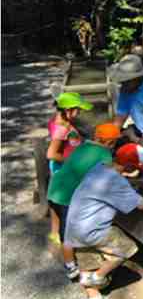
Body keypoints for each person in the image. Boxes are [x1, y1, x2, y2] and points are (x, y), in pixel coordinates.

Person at [65, 143, 143, 299]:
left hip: (74, 225)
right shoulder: (115, 181)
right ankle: (98, 277)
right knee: (127, 249)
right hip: (93, 229)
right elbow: (140, 205)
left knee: (88, 260)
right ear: (129, 167)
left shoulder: (100, 167)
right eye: (139, 167)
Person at [47, 123, 122, 281]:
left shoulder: (83, 145)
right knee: (68, 233)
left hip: (55, 187)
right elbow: (109, 172)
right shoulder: (104, 153)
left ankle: (69, 260)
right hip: (68, 195)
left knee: (63, 228)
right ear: (110, 143)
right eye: (115, 142)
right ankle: (71, 266)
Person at [46, 92, 92, 245]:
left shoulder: (59, 121)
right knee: (68, 204)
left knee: (54, 200)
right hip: (64, 171)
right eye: (78, 110)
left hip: (60, 170)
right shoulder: (61, 130)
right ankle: (69, 239)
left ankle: (54, 232)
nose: (80, 113)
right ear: (68, 110)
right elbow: (51, 153)